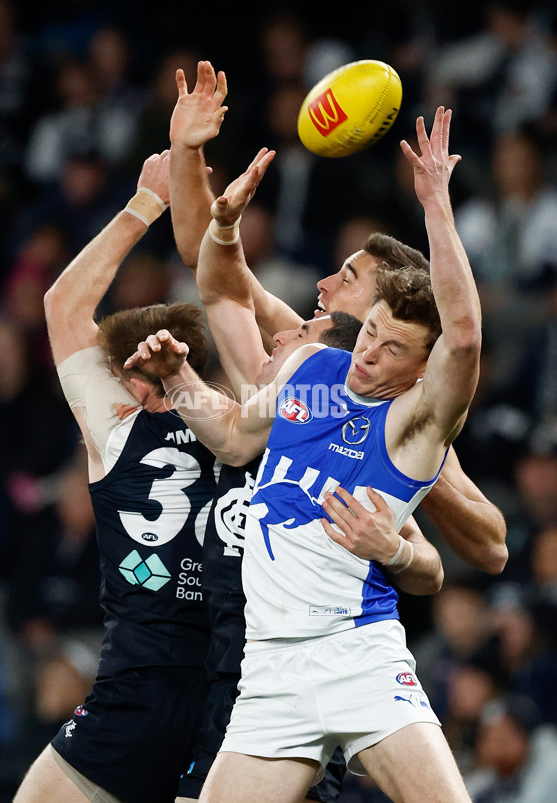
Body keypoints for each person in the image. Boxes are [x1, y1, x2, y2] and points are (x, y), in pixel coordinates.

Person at [126, 106, 481, 801]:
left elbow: (464, 336)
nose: (369, 356)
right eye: (370, 333)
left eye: (393, 351)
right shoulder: (309, 370)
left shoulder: (415, 423)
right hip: (270, 670)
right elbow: (231, 436)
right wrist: (178, 379)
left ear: (420, 372)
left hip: (359, 656)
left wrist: (436, 204)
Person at [13, 150, 218, 803]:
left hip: (136, 687)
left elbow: (63, 304)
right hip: (229, 691)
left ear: (134, 373)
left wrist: (146, 202)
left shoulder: (123, 426)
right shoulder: (243, 424)